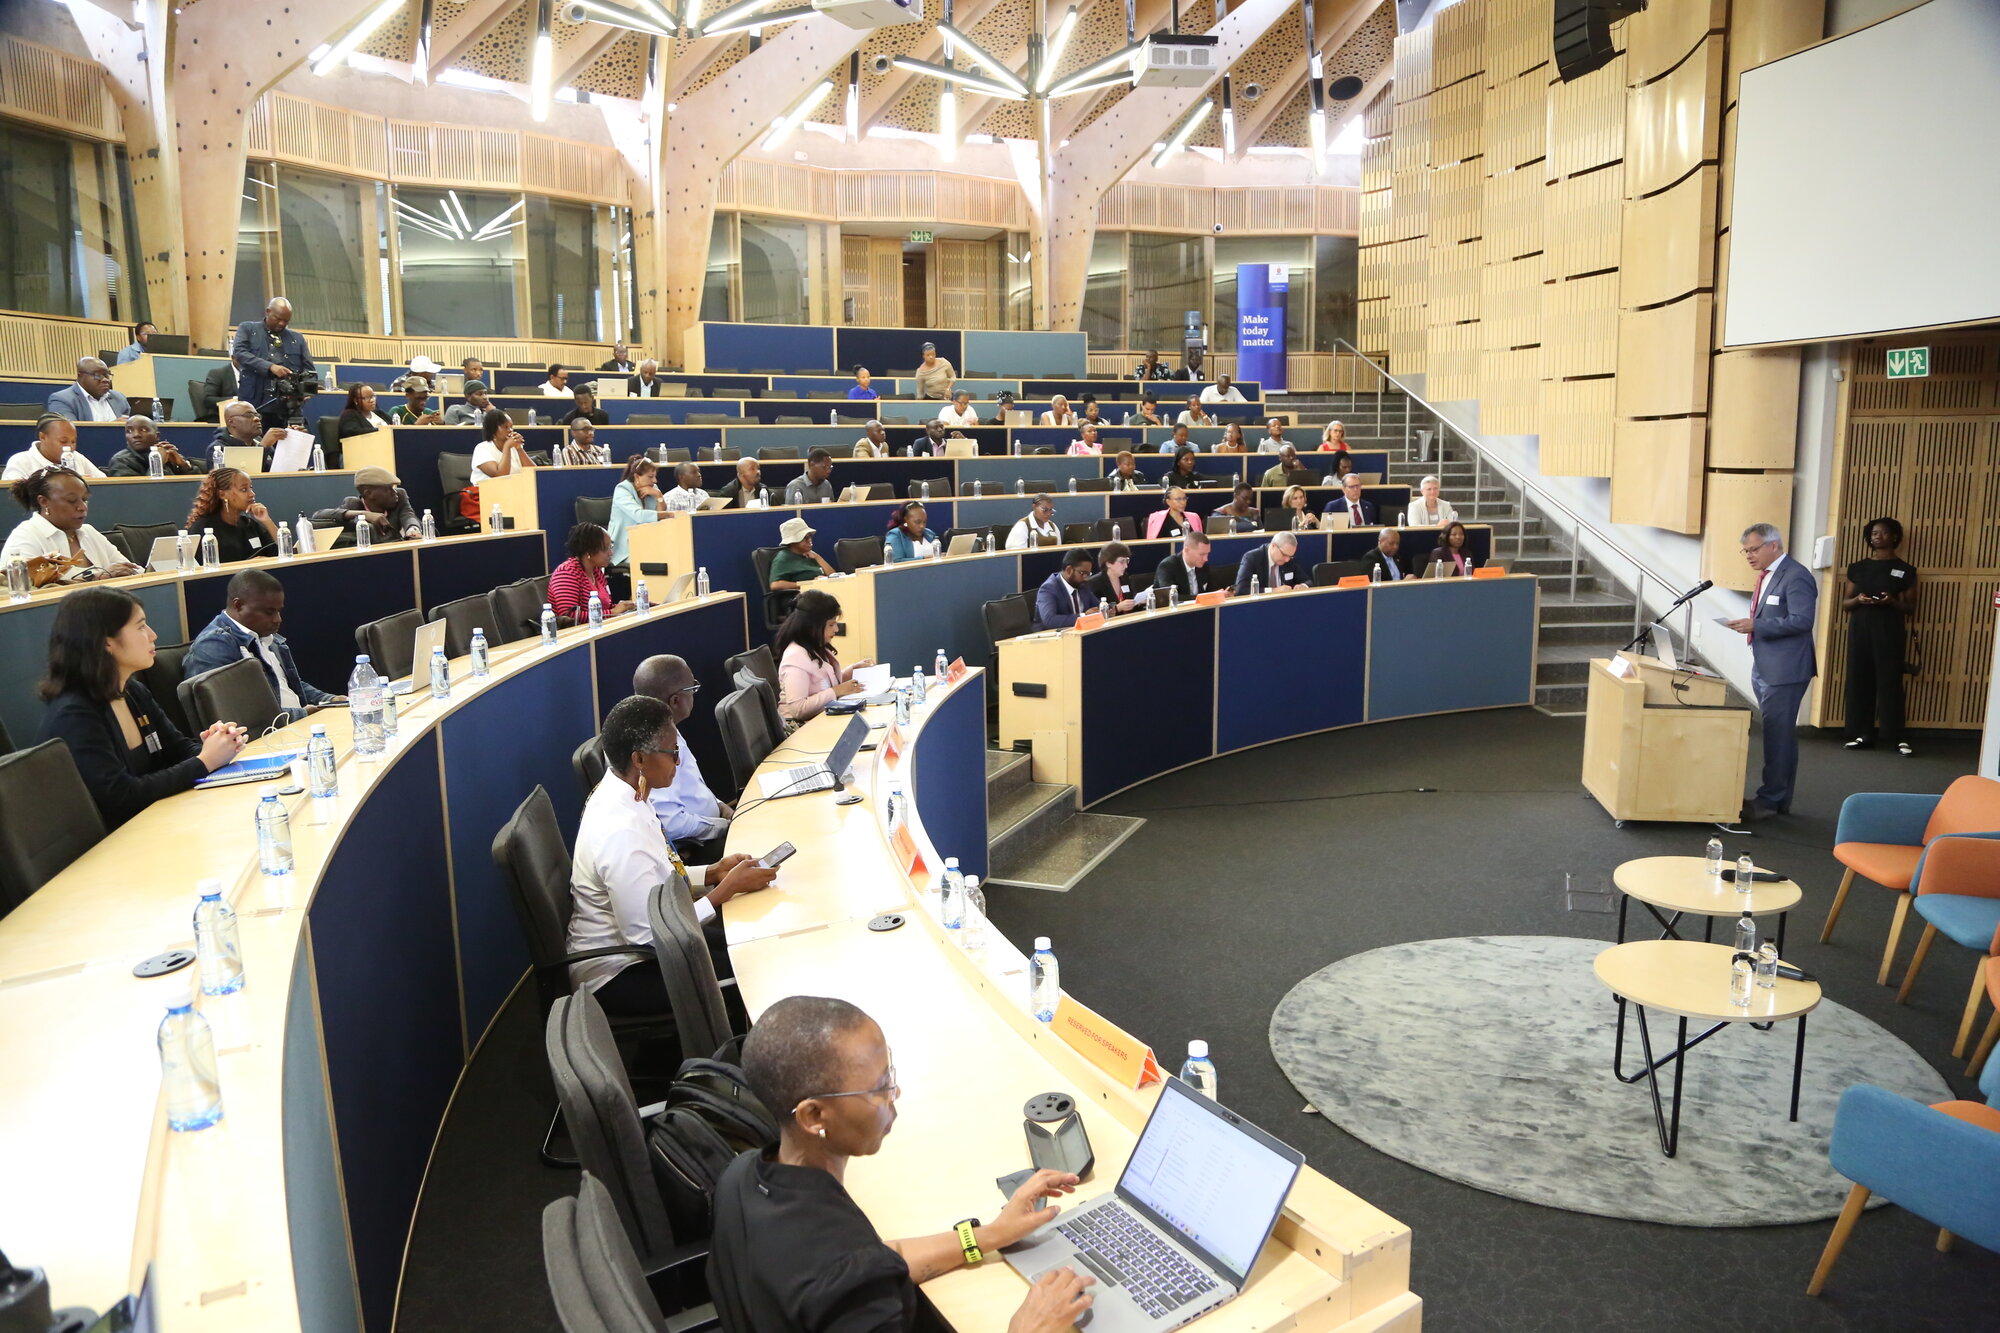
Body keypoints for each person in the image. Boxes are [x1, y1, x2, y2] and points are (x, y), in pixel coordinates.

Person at [709, 995, 1093, 1333]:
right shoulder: (849, 1289)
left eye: (889, 1076)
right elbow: (857, 1273)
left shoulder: (741, 1176)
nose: (894, 1095)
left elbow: (880, 1261)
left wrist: (989, 1235)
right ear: (814, 1117)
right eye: (877, 1088)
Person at [568, 694, 777, 1013]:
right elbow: (650, 936)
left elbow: (657, 875)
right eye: (672, 753)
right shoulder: (621, 830)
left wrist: (711, 872)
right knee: (755, 977)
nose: (678, 762)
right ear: (639, 759)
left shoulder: (628, 791)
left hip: (652, 942)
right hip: (621, 972)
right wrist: (724, 891)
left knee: (752, 946)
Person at [36, 587, 248, 828]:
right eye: (140, 627)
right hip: (113, 845)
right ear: (106, 642)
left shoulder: (133, 691)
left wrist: (213, 746)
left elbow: (176, 749)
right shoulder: (74, 713)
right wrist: (204, 761)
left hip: (156, 822)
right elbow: (122, 797)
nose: (152, 634)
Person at [1725, 522, 1818, 820]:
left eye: (1754, 549)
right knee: (1780, 735)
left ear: (1774, 545)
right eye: (1746, 551)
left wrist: (1757, 625)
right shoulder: (1767, 576)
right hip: (1766, 664)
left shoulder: (1796, 576)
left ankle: (1769, 800)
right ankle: (1779, 800)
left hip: (1787, 669)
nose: (1749, 556)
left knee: (1778, 735)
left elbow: (1802, 621)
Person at [183, 569, 341, 723]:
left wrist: (329, 700)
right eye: (269, 612)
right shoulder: (214, 646)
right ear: (238, 605)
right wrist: (302, 715)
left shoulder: (266, 637)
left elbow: (287, 686)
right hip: (266, 739)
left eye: (279, 611)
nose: (278, 619)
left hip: (295, 726)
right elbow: (233, 715)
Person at [631, 655, 735, 860]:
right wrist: (724, 826)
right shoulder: (652, 748)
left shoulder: (667, 729)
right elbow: (672, 823)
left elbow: (692, 784)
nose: (695, 695)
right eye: (692, 689)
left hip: (710, 829)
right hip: (696, 847)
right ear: (675, 700)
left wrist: (720, 805)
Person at [1842, 516, 1918, 756]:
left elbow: (1910, 608)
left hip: (1889, 628)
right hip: (1861, 626)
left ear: (1895, 536)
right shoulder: (1858, 567)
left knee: (1890, 681)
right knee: (1860, 678)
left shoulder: (1905, 570)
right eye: (1874, 533)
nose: (1877, 536)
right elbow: (1846, 603)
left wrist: (1891, 601)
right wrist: (1859, 600)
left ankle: (1895, 736)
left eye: (1883, 532)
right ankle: (1862, 733)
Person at [3, 468, 140, 581]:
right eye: (71, 500)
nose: (82, 507)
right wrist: (97, 576)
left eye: (85, 500)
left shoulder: (89, 532)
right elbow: (21, 586)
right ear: (44, 501)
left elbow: (130, 569)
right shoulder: (25, 536)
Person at [775, 588, 874, 722]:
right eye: (831, 624)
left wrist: (851, 671)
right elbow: (798, 709)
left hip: (819, 719)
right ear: (811, 626)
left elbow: (823, 684)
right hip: (799, 729)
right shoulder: (795, 658)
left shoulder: (815, 646)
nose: (836, 629)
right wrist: (837, 691)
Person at [231, 297, 315, 428]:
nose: (282, 323)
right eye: (278, 318)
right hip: (256, 403)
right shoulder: (247, 329)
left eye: (286, 321)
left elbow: (309, 371)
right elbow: (240, 353)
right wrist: (270, 367)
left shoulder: (297, 339)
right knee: (260, 446)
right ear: (268, 311)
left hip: (289, 408)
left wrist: (305, 391)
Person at [311, 465, 423, 545]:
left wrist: (412, 529)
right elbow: (317, 516)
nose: (394, 492)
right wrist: (363, 514)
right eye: (388, 489)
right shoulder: (353, 504)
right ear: (368, 493)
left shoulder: (400, 496)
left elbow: (408, 515)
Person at [186, 467, 280, 561]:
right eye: (244, 489)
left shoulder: (250, 524)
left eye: (250, 488)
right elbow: (200, 570)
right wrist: (248, 566)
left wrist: (267, 521)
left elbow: (283, 553)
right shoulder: (203, 528)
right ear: (222, 494)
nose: (252, 494)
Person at [548, 522, 633, 624]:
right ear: (589, 552)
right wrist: (612, 612)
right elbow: (570, 616)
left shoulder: (596, 571)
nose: (611, 553)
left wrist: (625, 607)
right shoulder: (566, 573)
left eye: (610, 547)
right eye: (606, 548)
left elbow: (605, 607)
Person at [4, 416, 106, 481]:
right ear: (43, 437)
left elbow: (103, 482)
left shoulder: (77, 457)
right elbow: (14, 496)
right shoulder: (20, 461)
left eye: (73, 441)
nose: (70, 447)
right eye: (63, 441)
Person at [106, 416, 202, 477]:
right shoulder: (121, 461)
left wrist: (184, 465)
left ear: (157, 436)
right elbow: (137, 494)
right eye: (129, 431)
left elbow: (199, 488)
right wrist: (158, 462)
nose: (136, 435)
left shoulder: (166, 453)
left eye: (143, 430)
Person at [608, 456, 662, 565]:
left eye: (655, 477)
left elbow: (660, 519)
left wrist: (659, 495)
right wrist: (669, 514)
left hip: (647, 541)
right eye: (650, 477)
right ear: (637, 476)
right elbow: (639, 516)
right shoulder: (622, 489)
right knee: (653, 560)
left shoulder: (652, 489)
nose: (654, 480)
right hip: (624, 547)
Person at [47, 357, 132, 424]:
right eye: (97, 375)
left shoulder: (119, 398)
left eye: (107, 375)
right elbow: (68, 434)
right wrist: (112, 427)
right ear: (80, 376)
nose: (105, 379)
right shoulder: (62, 400)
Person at [210, 401, 288, 473]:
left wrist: (294, 439)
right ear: (232, 422)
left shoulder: (260, 443)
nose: (257, 419)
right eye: (248, 415)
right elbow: (240, 479)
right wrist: (263, 447)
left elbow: (281, 470)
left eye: (257, 415)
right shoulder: (218, 449)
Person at [1034, 548, 1101, 629]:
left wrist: (1107, 610)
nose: (1086, 578)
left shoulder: (1082, 585)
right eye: (1083, 573)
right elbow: (1049, 620)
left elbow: (1098, 606)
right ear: (1069, 570)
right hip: (1052, 638)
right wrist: (1083, 616)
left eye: (1088, 574)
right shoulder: (1048, 589)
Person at [770, 516, 834, 592]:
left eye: (810, 536)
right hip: (800, 598)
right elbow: (775, 585)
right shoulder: (783, 557)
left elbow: (833, 577)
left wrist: (818, 557)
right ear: (792, 542)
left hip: (821, 594)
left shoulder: (810, 555)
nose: (810, 540)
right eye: (805, 538)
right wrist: (809, 584)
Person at [471, 408, 535, 485]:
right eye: (506, 427)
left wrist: (519, 448)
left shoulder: (514, 448)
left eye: (511, 426)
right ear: (493, 429)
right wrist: (507, 447)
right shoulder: (482, 449)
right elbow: (500, 476)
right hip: (486, 493)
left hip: (513, 491)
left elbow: (533, 473)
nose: (510, 430)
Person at [1152, 529, 1219, 601]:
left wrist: (1219, 595)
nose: (1206, 559)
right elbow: (1170, 597)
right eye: (1202, 554)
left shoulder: (1203, 566)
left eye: (1207, 554)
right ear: (1186, 550)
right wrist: (1202, 598)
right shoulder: (1167, 566)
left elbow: (1211, 591)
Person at [1235, 531, 1302, 594]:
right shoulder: (1252, 558)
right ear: (1273, 546)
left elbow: (1308, 581)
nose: (1287, 560)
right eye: (1284, 555)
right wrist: (1273, 591)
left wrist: (1303, 586)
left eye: (1290, 556)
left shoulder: (1288, 558)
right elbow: (1241, 589)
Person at [1089, 540, 1141, 612]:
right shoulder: (1095, 583)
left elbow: (1131, 597)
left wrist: (1139, 602)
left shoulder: (1124, 578)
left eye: (1127, 561)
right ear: (1108, 563)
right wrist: (1117, 608)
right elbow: (1095, 611)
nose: (1126, 566)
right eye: (1122, 561)